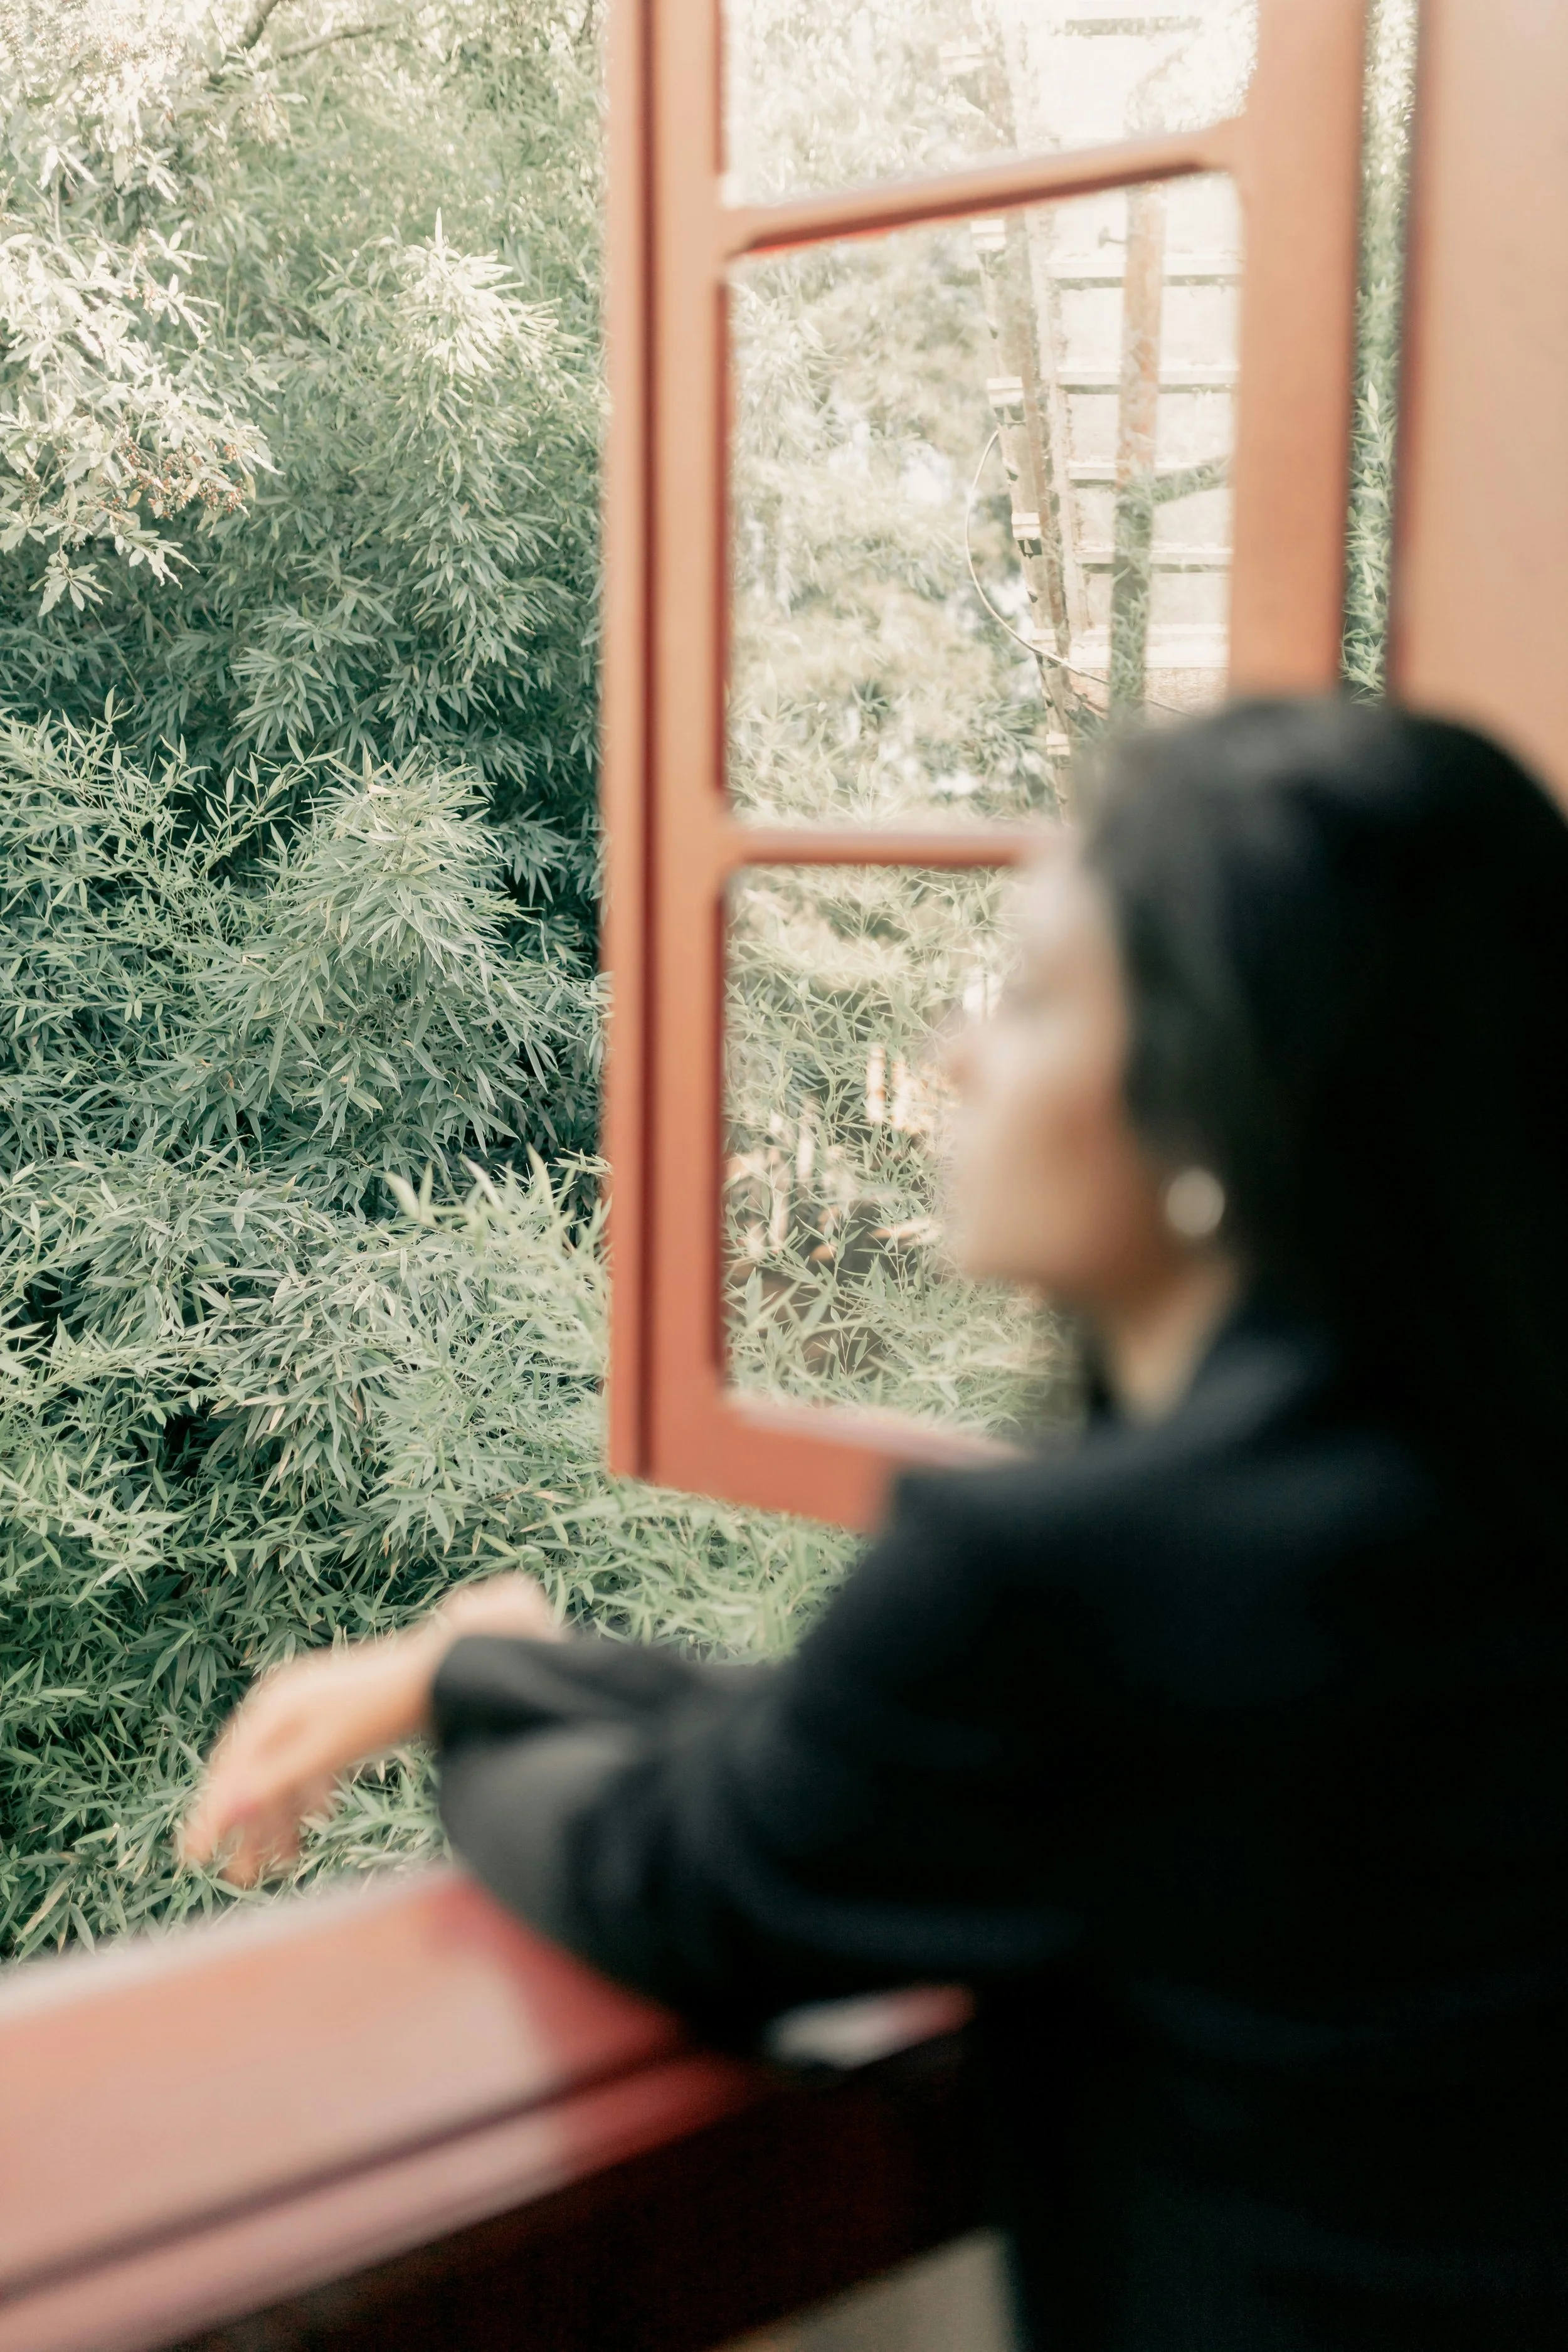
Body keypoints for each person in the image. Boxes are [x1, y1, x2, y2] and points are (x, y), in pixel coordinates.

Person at [183, 698, 1568, 2351]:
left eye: (1038, 994)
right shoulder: (1455, 1496)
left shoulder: (1076, 1577)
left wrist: (474, 1701)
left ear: (1224, 1079)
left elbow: (675, 1880)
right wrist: (484, 1674)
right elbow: (885, 1755)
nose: (957, 1054)